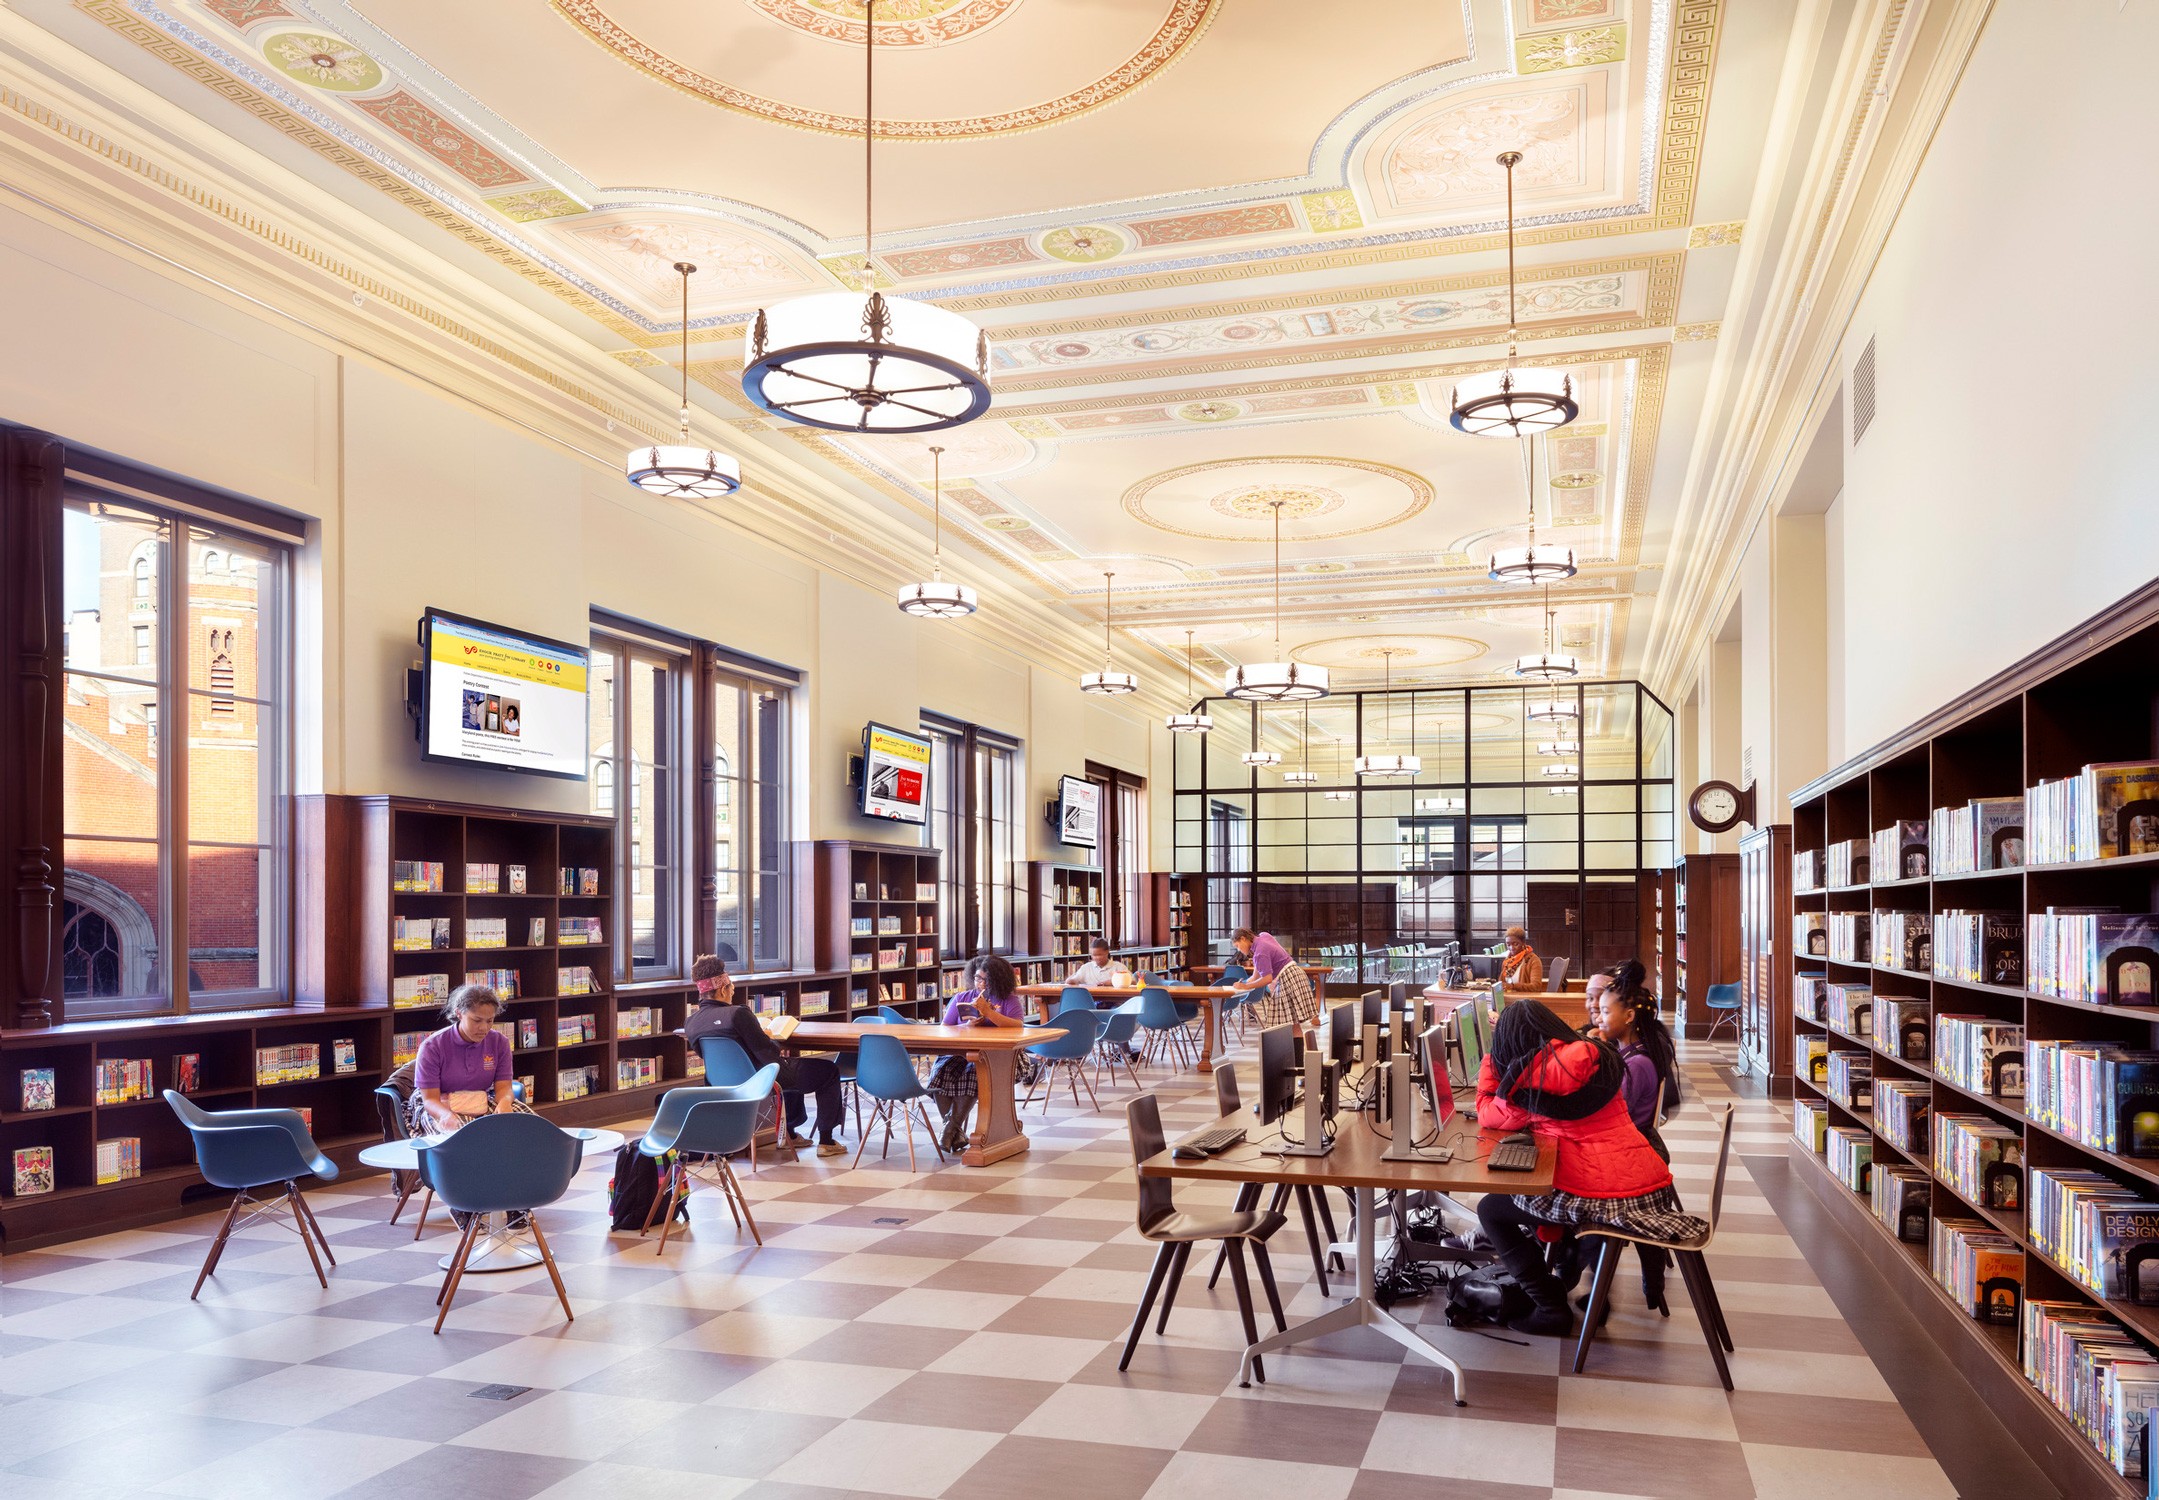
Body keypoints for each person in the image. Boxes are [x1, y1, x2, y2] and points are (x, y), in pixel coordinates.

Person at [1473, 1000, 1703, 1336]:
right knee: (1536, 1188)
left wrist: (1493, 1059)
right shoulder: (1591, 1056)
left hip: (1610, 1197)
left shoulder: (1533, 1077)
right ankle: (1565, 1278)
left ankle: (1549, 1305)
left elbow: (1488, 1113)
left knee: (1492, 1208)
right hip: (1646, 1181)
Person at [1589, 960, 1686, 1312]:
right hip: (1636, 1146)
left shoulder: (1637, 1063)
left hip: (1632, 1154)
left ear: (1629, 1016)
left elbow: (1615, 1115)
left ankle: (1580, 1270)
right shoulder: (1630, 1052)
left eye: (1604, 1011)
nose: (1598, 1018)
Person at [683, 954, 846, 1158]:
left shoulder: (691, 1022)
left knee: (788, 1068)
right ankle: (826, 1141)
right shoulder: (737, 1014)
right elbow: (767, 1052)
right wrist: (771, 1038)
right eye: (731, 985)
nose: (733, 990)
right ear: (723, 988)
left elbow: (709, 1054)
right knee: (828, 1071)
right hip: (761, 1079)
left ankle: (790, 1135)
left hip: (721, 1084)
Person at [928, 954, 1042, 1153]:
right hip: (960, 1053)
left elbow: (1018, 1026)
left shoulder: (1009, 1000)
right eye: (977, 978)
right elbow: (945, 1028)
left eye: (985, 980)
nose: (980, 983)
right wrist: (967, 1025)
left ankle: (949, 1130)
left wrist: (989, 1014)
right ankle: (955, 1131)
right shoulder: (961, 998)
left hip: (1002, 1057)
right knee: (940, 1072)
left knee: (975, 1072)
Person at [410, 983, 515, 1135]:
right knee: (463, 1136)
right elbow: (430, 1100)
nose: (484, 1028)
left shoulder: (500, 1042)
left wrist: (505, 1102)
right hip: (439, 1104)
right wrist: (445, 1115)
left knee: (524, 1128)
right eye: (477, 1020)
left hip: (480, 1098)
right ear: (459, 1013)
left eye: (490, 1021)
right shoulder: (432, 1046)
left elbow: (504, 1088)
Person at [1228, 926, 1317, 1031]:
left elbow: (1267, 979)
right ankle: (1296, 1048)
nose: (1239, 950)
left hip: (1288, 979)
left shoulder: (1259, 953)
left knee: (1284, 1026)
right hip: (1296, 974)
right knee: (1294, 1024)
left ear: (1243, 938)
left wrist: (1246, 986)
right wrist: (1243, 985)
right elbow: (1255, 976)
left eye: (1238, 946)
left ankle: (1289, 1047)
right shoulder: (1263, 936)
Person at [1499, 926, 1544, 993]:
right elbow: (1501, 984)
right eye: (1508, 945)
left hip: (1526, 1000)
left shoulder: (1533, 960)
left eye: (1515, 944)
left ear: (1523, 943)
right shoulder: (1507, 961)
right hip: (1508, 998)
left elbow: (1536, 987)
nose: (1511, 948)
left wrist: (1513, 986)